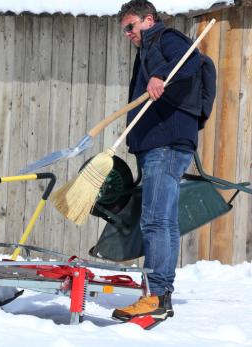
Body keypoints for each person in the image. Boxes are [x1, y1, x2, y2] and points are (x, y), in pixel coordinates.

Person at [112, 0, 204, 322]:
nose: (127, 34)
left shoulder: (164, 38)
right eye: (124, 29)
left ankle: (155, 295)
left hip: (165, 143)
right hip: (162, 143)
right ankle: (159, 295)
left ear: (148, 20)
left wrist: (160, 75)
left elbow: (190, 59)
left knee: (155, 221)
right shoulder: (148, 49)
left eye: (130, 26)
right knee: (163, 221)